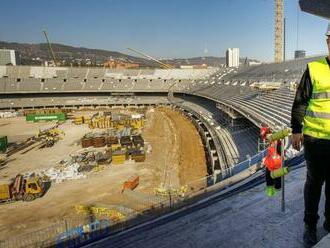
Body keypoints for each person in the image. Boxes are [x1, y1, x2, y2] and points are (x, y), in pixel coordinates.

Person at [291, 23, 330, 246]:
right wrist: (296, 130)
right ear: (328, 42)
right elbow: (300, 103)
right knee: (314, 184)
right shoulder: (314, 69)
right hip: (316, 141)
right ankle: (309, 225)